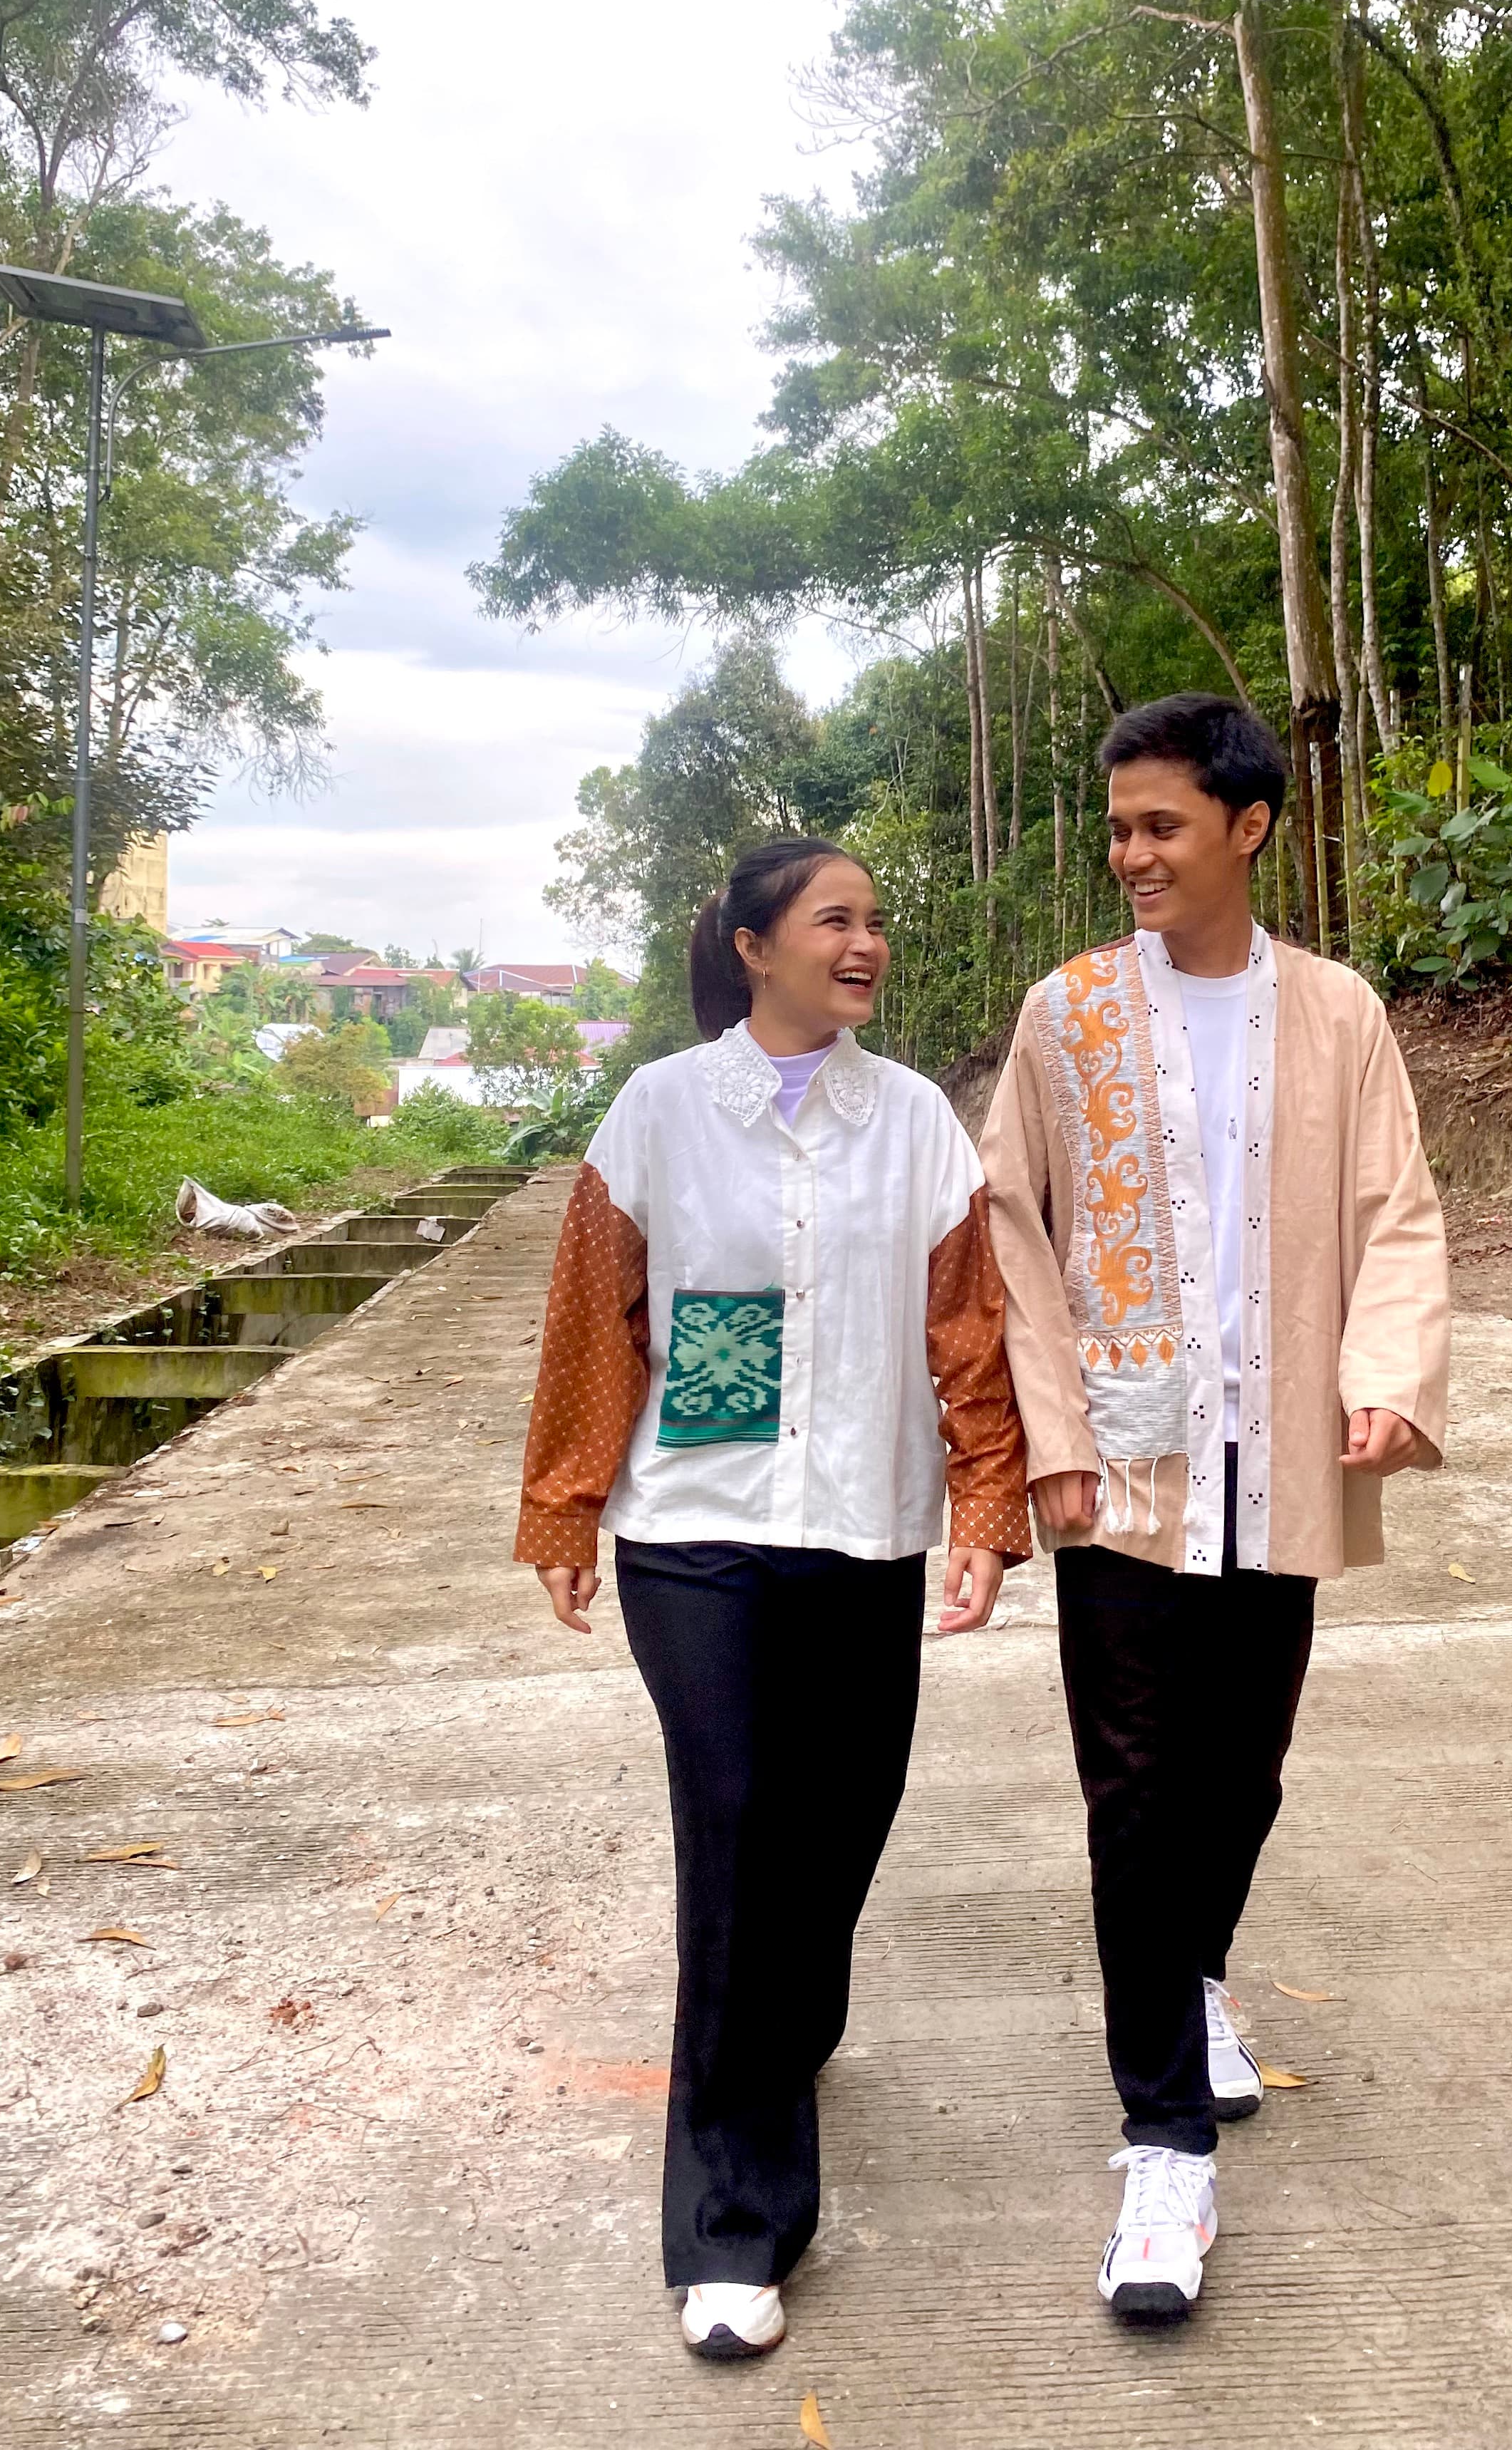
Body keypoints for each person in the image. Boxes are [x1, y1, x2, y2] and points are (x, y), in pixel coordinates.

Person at [516, 836, 1029, 2361]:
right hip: (698, 1532)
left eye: (877, 919)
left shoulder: (920, 1122)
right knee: (737, 1820)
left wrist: (987, 1506)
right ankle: (734, 2221)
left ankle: (782, 2032)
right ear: (752, 945)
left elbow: (970, 1331)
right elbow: (595, 1318)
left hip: (864, 1529)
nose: (866, 942)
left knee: (842, 1815)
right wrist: (564, 1503)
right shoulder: (666, 1112)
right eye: (835, 919)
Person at [980, 694, 1449, 2326]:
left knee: (1242, 1771)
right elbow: (1009, 1231)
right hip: (1122, 1466)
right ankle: (1165, 2152)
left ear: (1249, 827)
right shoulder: (1067, 1016)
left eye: (1161, 825)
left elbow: (1396, 1210)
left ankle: (1191, 1977)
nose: (1132, 857)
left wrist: (1387, 1369)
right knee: (1132, 1793)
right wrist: (1045, 1429)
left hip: (1282, 1456)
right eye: (1118, 828)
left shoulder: (1334, 1014)